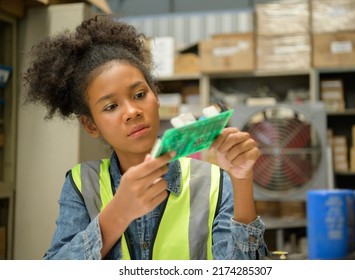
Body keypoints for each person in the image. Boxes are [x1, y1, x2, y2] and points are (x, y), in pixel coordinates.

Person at [23, 15, 268, 260]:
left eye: (140, 94)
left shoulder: (215, 181)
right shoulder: (81, 184)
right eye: (111, 107)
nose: (132, 112)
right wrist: (119, 212)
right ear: (90, 125)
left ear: (156, 95)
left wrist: (242, 180)